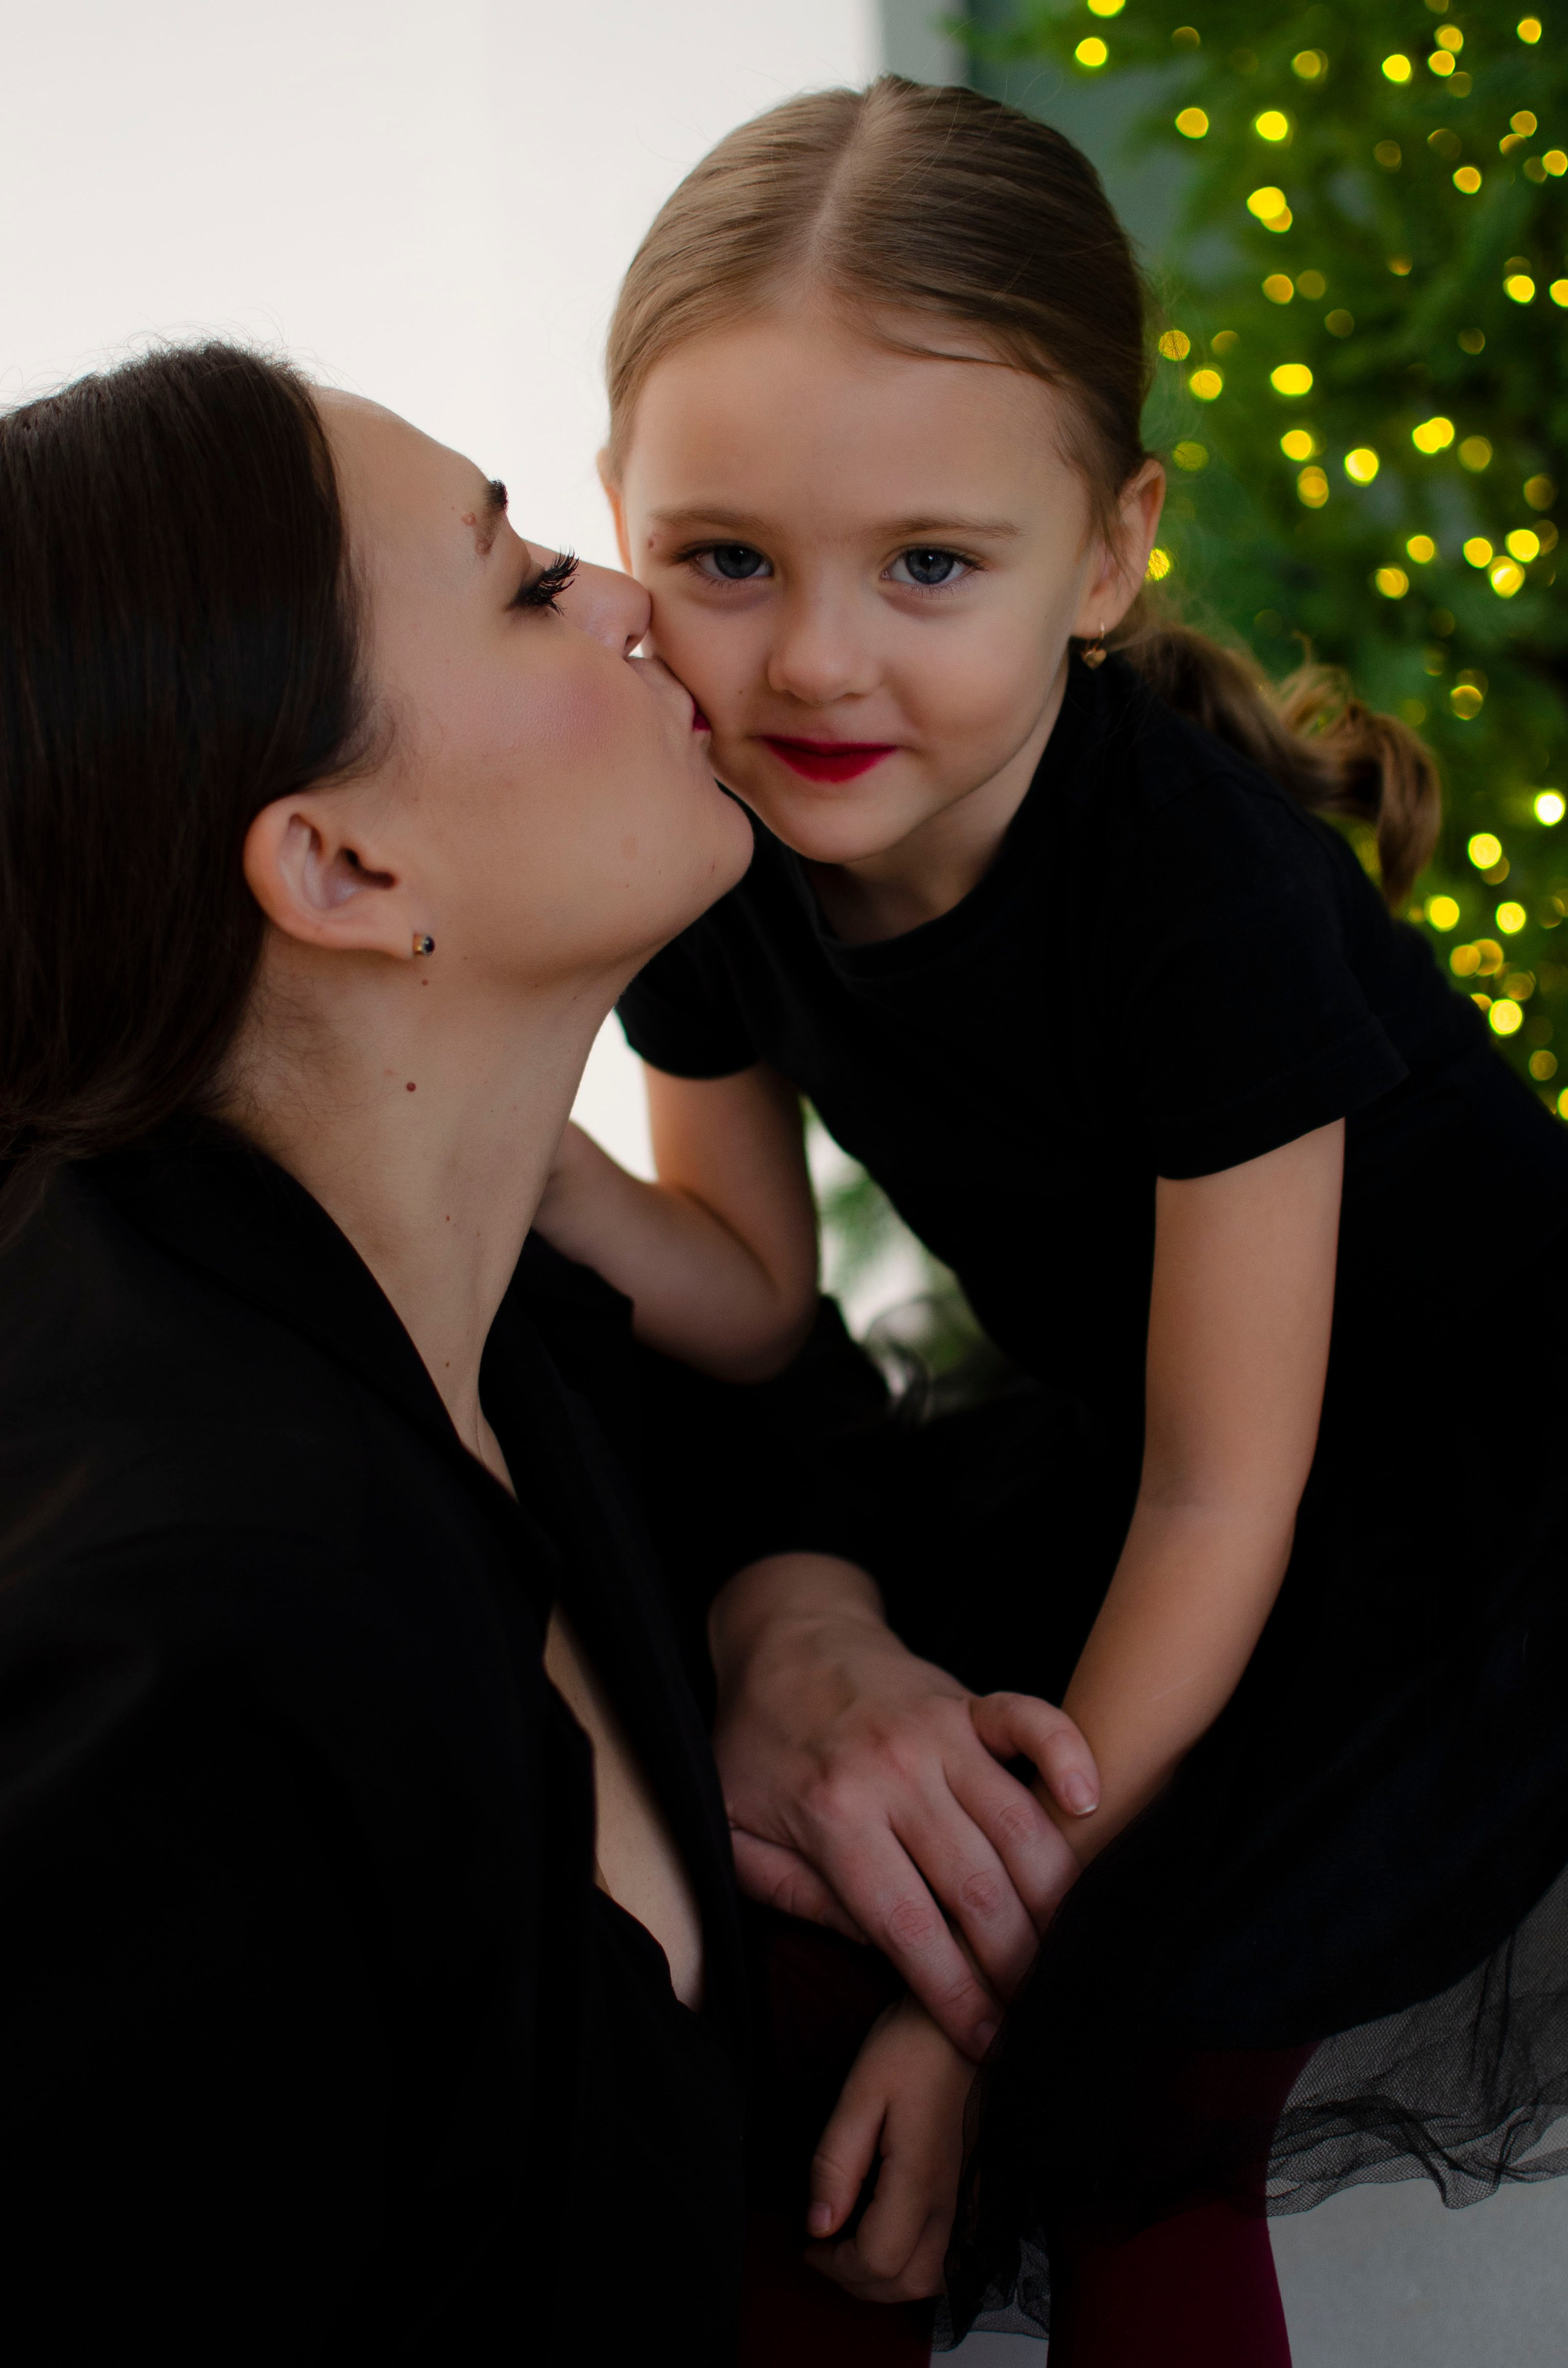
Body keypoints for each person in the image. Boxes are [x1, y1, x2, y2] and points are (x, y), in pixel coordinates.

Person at [531, 76, 1568, 2364]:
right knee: (789, 1935)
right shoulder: (724, 842)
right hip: (1164, 1450)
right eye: (726, 559)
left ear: (1103, 558)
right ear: (622, 523)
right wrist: (513, 1141)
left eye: (930, 565)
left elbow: (1231, 1489)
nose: (812, 661)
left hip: (1450, 1486)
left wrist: (1022, 1976)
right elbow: (752, 1297)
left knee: (1124, 2072)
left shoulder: (1192, 881)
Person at [0, 339, 979, 2364]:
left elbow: (785, 1404)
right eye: (528, 579)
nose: (633, 597)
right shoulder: (185, 1675)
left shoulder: (447, 1254)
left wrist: (794, 1623)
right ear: (344, 867)